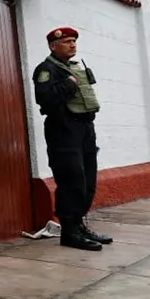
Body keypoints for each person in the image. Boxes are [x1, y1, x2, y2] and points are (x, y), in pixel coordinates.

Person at [32, 26, 112, 251]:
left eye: (74, 41)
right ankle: (69, 232)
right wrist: (69, 84)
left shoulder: (76, 67)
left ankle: (79, 225)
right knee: (71, 180)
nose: (72, 44)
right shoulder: (46, 69)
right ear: (53, 46)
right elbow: (45, 100)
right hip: (64, 129)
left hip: (85, 128)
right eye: (67, 41)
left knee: (88, 181)